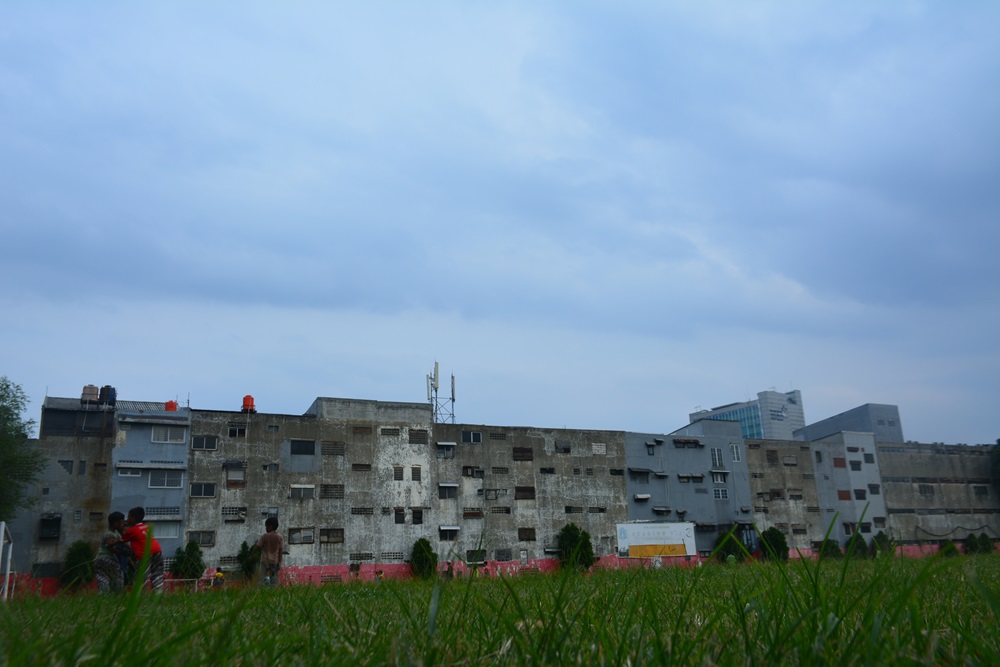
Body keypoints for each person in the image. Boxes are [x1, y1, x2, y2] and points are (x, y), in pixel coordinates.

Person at [120, 506, 164, 592]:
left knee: (141, 575)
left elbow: (121, 540)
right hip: (157, 550)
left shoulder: (132, 530)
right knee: (157, 573)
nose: (127, 519)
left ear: (133, 518)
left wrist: (110, 545)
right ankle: (158, 592)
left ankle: (139, 594)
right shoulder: (146, 526)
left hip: (144, 553)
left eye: (128, 517)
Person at [94, 511, 128, 593]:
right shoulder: (110, 534)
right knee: (118, 577)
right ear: (115, 523)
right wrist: (123, 552)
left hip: (98, 559)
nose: (122, 524)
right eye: (121, 522)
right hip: (108, 558)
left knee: (102, 578)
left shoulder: (114, 532)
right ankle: (117, 595)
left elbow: (123, 541)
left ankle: (103, 596)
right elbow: (110, 547)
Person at [256, 517, 283, 586]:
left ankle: (260, 591)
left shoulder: (264, 536)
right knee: (274, 579)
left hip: (264, 560)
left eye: (266, 526)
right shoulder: (279, 537)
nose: (266, 528)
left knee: (261, 578)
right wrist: (280, 562)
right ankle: (274, 592)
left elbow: (258, 546)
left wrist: (252, 554)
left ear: (270, 526)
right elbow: (280, 550)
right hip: (274, 561)